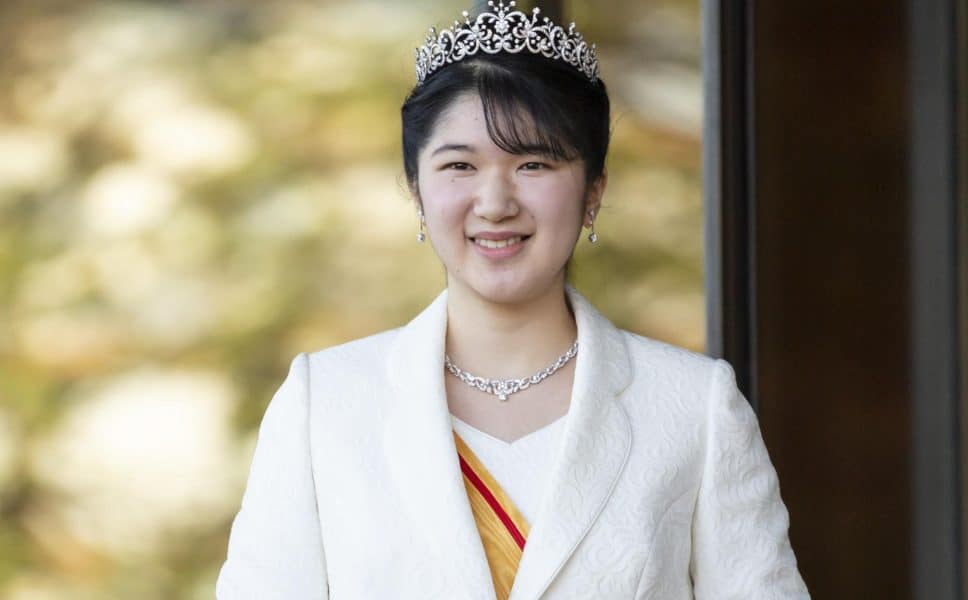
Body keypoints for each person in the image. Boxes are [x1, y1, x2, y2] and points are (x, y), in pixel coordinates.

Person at [216, 2, 810, 598]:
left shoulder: (692, 407)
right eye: (460, 165)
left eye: (533, 162)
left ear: (593, 190)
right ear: (416, 191)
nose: (495, 202)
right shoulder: (327, 404)